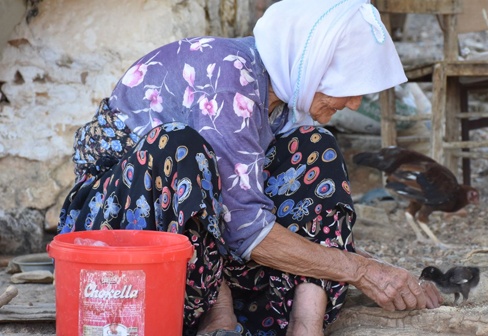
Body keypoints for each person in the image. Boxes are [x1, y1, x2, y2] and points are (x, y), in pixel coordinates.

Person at [57, 0, 443, 335]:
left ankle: (304, 323)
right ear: (316, 65)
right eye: (351, 86)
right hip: (120, 234)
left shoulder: (279, 93)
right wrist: (362, 270)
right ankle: (217, 320)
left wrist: (373, 270)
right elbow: (245, 227)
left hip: (207, 253)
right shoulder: (227, 78)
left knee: (315, 146)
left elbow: (247, 202)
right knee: (179, 148)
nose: (356, 103)